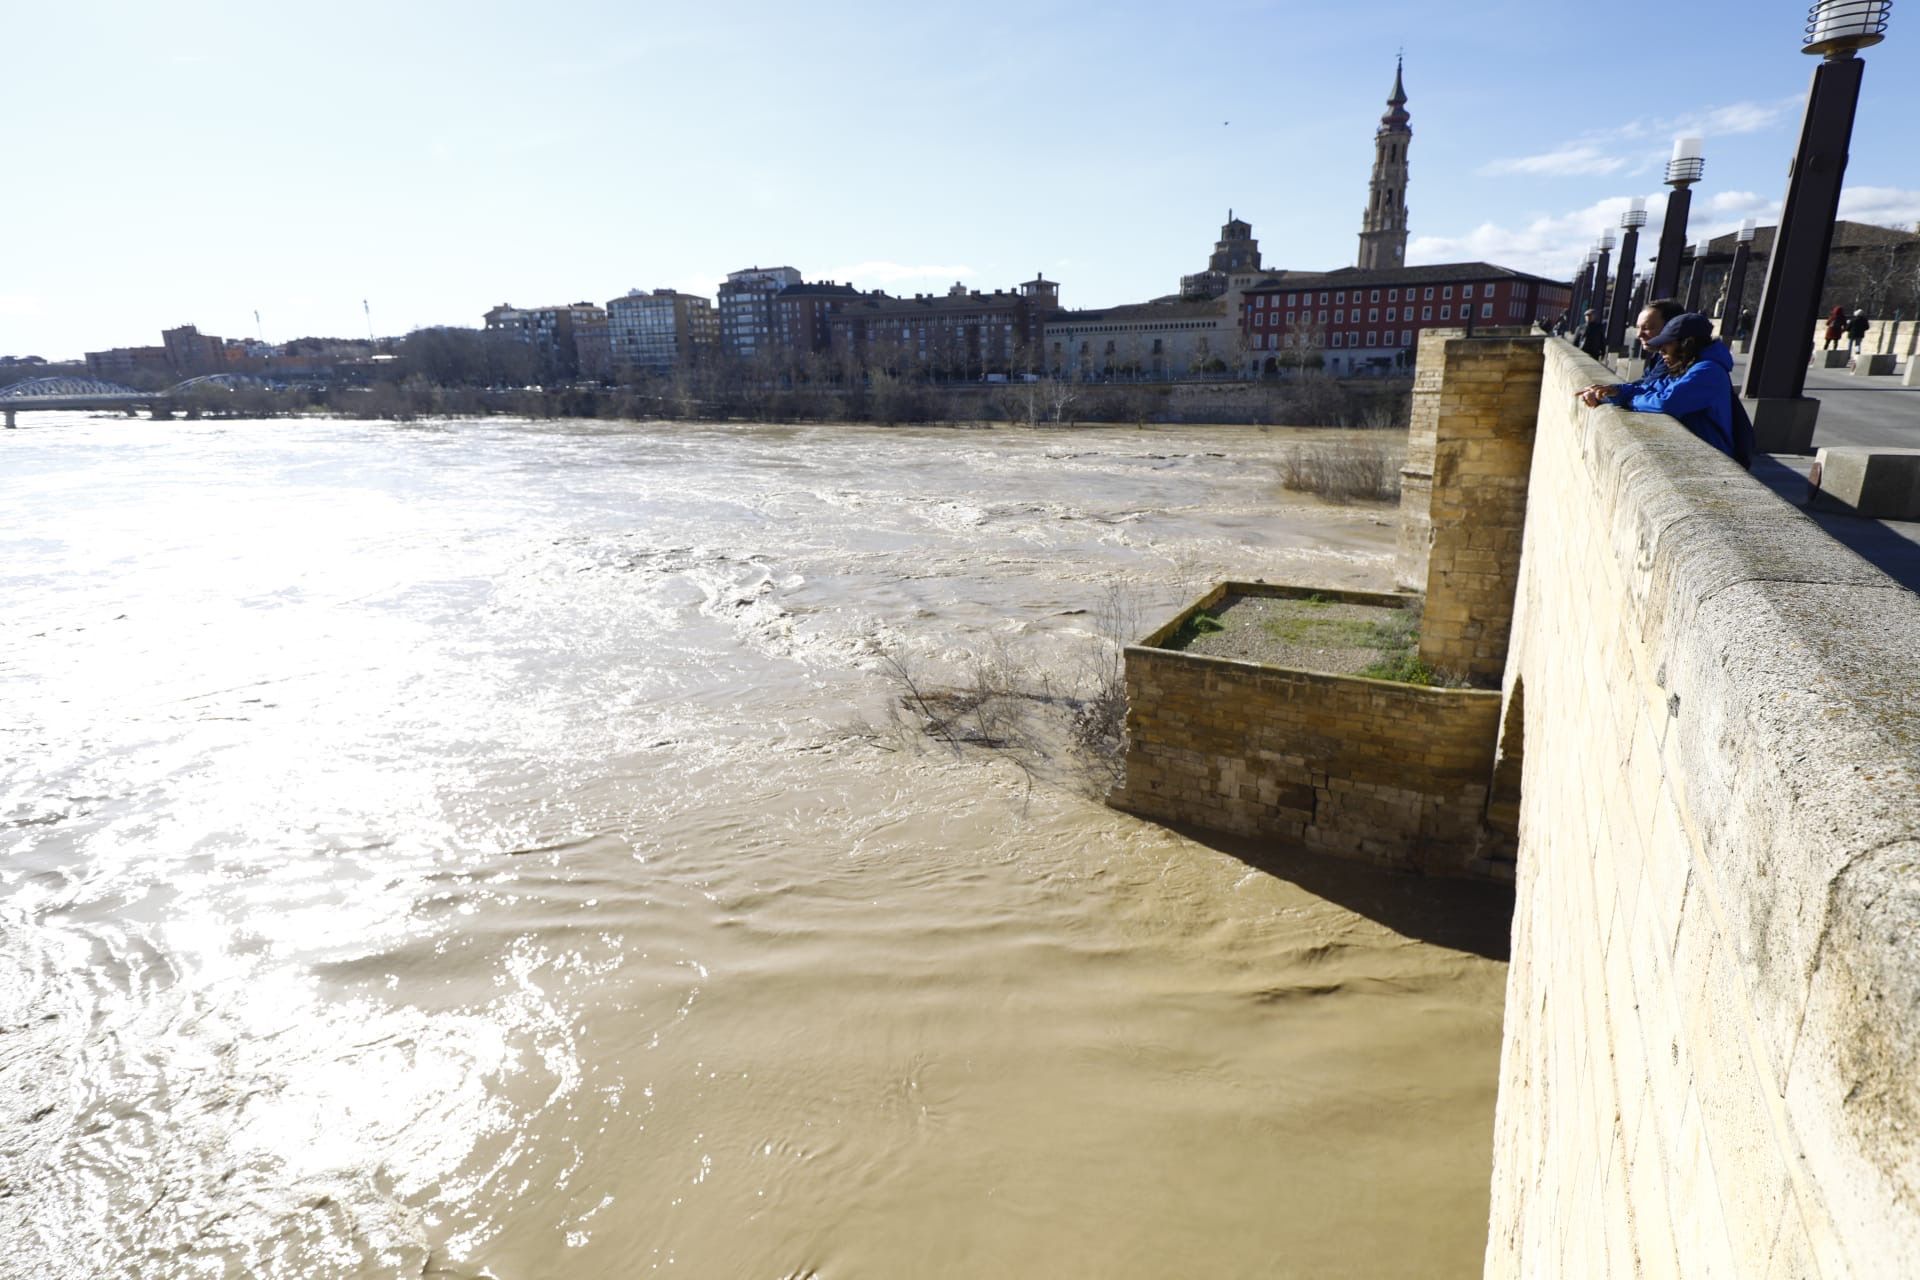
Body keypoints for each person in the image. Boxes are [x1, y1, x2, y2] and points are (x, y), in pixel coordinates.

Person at [1582, 313, 1737, 458]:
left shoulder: (1707, 371)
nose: (1661, 352)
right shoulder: (1688, 367)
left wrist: (1630, 401)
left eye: (1667, 345)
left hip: (1711, 457)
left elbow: (1666, 402)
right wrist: (1615, 392)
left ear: (1687, 344)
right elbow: (1653, 387)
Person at [1576, 298, 1684, 406]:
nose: (1638, 334)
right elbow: (1645, 384)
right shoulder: (1659, 355)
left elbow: (1658, 397)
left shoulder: (1676, 359)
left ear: (1671, 328)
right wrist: (1610, 391)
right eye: (1638, 327)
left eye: (1647, 328)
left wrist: (1606, 396)